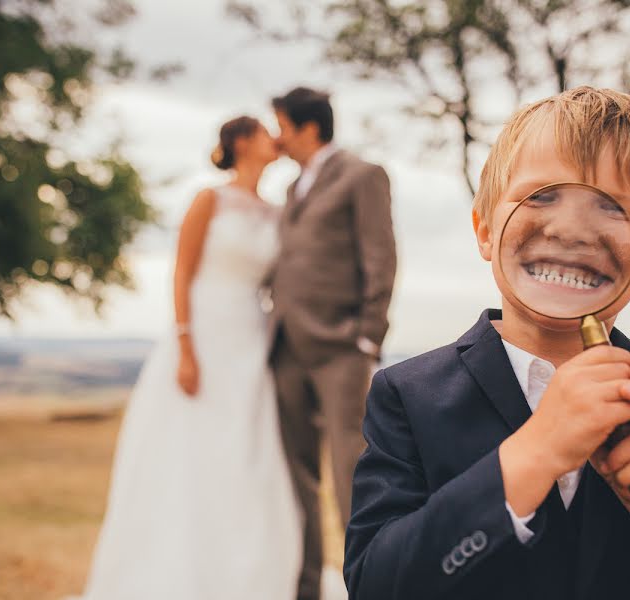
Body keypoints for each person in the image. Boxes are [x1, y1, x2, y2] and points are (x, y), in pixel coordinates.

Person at [344, 87, 630, 599]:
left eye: (612, 208)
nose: (571, 229)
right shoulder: (407, 394)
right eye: (542, 195)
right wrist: (534, 453)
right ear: (485, 231)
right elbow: (375, 583)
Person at [78, 116, 303, 599]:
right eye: (267, 133)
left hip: (251, 337)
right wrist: (185, 345)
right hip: (204, 330)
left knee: (244, 451)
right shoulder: (209, 199)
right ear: (243, 142)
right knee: (189, 451)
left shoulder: (276, 211)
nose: (276, 140)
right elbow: (181, 273)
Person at [268, 86, 397, 600]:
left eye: (280, 126)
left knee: (351, 475)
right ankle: (307, 589)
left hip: (341, 348)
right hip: (285, 350)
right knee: (298, 478)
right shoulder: (291, 187)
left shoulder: (362, 176)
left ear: (307, 128)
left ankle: (363, 586)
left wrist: (368, 337)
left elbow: (381, 256)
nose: (276, 137)